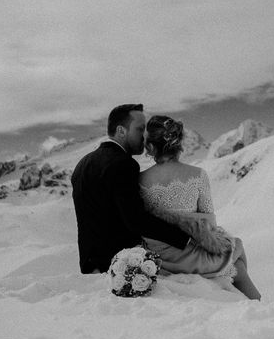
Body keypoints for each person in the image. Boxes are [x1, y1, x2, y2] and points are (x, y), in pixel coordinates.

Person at [72, 104, 229, 274]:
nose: (145, 136)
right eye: (140, 129)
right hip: (119, 262)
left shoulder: (83, 163)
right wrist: (185, 239)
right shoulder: (124, 164)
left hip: (90, 262)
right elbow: (136, 220)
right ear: (121, 131)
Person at [139, 115, 261, 300]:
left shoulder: (140, 179)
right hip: (194, 257)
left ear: (150, 147)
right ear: (179, 143)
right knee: (238, 249)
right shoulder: (197, 175)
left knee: (234, 256)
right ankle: (254, 300)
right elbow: (209, 223)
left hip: (157, 258)